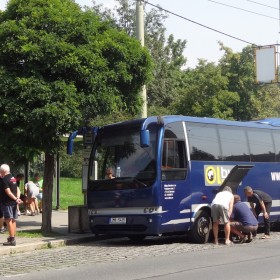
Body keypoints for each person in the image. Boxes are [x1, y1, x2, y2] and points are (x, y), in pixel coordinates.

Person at [0, 164, 23, 246]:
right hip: (13, 203)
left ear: (2, 171)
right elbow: (16, 190)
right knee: (13, 220)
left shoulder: (4, 180)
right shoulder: (13, 178)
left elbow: (8, 192)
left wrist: (16, 199)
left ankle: (12, 239)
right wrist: (17, 198)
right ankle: (12, 237)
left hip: (7, 203)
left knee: (8, 220)